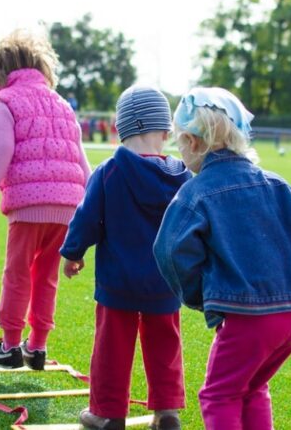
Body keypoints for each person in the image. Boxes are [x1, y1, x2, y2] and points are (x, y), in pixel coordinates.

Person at [153, 87, 291, 430]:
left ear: (193, 142)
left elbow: (170, 250)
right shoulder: (277, 183)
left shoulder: (195, 192)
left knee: (219, 395)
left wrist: (199, 296)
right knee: (253, 387)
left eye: (180, 143)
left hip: (250, 316)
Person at [60, 86, 190, 430]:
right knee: (165, 345)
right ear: (165, 131)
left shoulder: (109, 171)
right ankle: (166, 412)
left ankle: (108, 412)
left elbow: (86, 217)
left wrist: (73, 253)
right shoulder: (182, 175)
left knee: (111, 348)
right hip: (165, 282)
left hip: (118, 282)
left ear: (119, 128)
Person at [0, 29, 91, 369]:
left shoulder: (4, 102)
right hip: (68, 206)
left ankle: (8, 346)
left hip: (29, 204)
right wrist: (92, 211)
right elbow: (81, 160)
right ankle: (37, 346)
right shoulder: (62, 104)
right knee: (46, 276)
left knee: (17, 273)